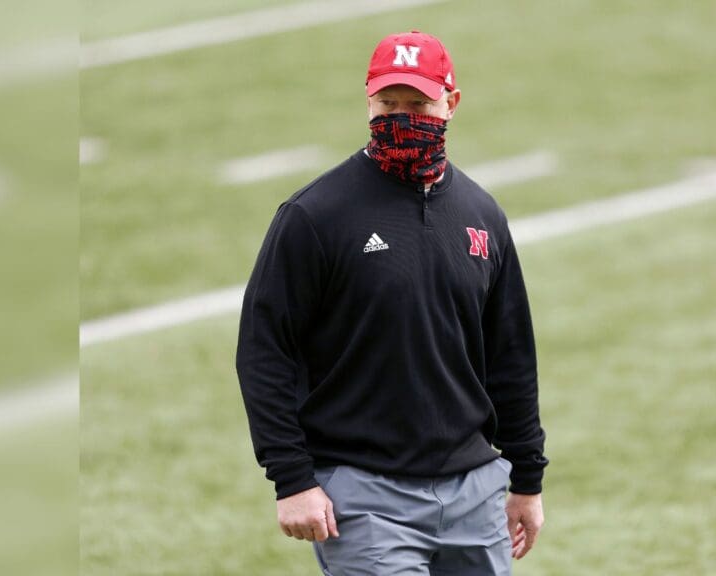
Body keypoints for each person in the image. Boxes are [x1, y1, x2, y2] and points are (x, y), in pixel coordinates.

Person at [235, 30, 548, 575]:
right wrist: (292, 479)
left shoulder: (482, 215)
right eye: (388, 104)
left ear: (451, 103)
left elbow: (511, 356)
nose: (401, 118)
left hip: (475, 492)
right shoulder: (315, 216)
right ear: (368, 102)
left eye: (418, 105)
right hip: (364, 495)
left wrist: (527, 478)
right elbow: (264, 351)